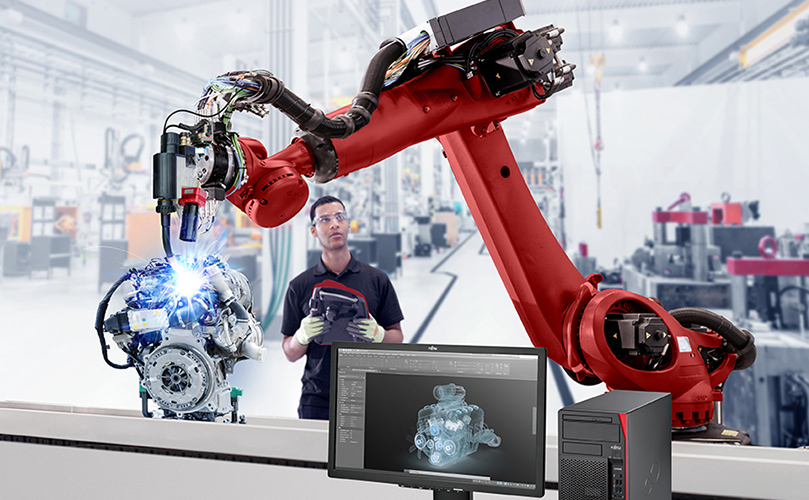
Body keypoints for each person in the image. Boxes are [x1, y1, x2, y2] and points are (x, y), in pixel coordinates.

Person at [281, 195, 404, 420]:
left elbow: (397, 337)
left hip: (369, 394)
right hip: (317, 399)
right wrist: (301, 336)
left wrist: (379, 335)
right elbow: (289, 352)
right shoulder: (299, 286)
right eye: (325, 219)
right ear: (313, 231)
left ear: (348, 225)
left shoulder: (377, 280)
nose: (334, 224)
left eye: (340, 217)